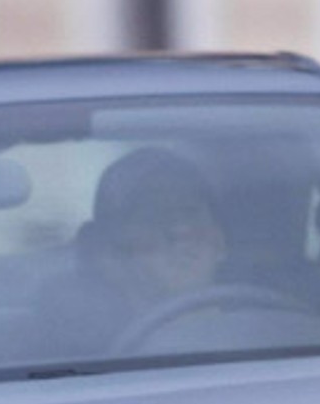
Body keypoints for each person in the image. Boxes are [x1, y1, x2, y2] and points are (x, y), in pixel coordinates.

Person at [35, 146, 229, 355]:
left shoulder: (265, 333)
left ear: (220, 241)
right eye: (153, 215)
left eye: (190, 212)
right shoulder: (76, 360)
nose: (180, 230)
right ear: (105, 252)